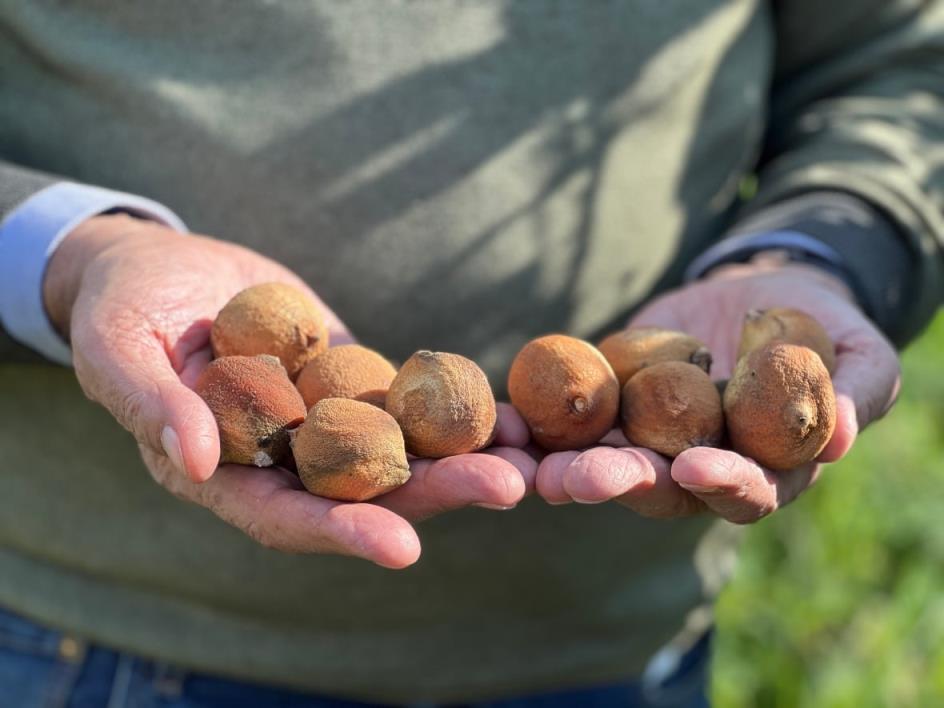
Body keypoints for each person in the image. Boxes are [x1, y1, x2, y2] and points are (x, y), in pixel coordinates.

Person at [0, 2, 938, 706]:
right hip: (97, 640)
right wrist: (73, 256)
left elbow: (898, 65)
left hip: (611, 642)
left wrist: (817, 258)